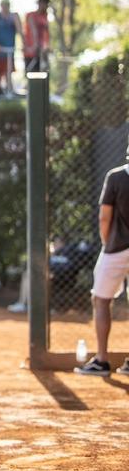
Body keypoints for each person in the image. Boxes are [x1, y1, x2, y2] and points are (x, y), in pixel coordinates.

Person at [76, 144, 129, 376]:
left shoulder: (116, 177)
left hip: (116, 248)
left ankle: (102, 359)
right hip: (115, 248)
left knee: (100, 299)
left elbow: (104, 218)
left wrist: (108, 245)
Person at [0, 0, 21, 98]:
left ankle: (9, 89)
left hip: (9, 49)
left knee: (9, 71)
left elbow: (19, 30)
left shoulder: (13, 16)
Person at [23, 0, 50, 73]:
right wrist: (35, 44)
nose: (45, 6)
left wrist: (47, 45)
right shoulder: (31, 15)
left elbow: (47, 33)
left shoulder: (45, 16)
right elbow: (33, 30)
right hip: (31, 50)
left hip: (41, 50)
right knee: (31, 72)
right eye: (44, 3)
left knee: (43, 72)